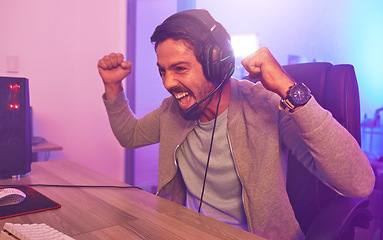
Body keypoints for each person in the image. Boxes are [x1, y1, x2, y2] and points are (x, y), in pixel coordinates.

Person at [98, 9, 375, 240]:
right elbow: (130, 135)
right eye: (163, 70)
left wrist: (291, 91)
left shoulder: (264, 105)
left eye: (180, 68)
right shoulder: (172, 110)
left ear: (216, 64)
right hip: (185, 231)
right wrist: (112, 86)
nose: (168, 83)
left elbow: (359, 183)